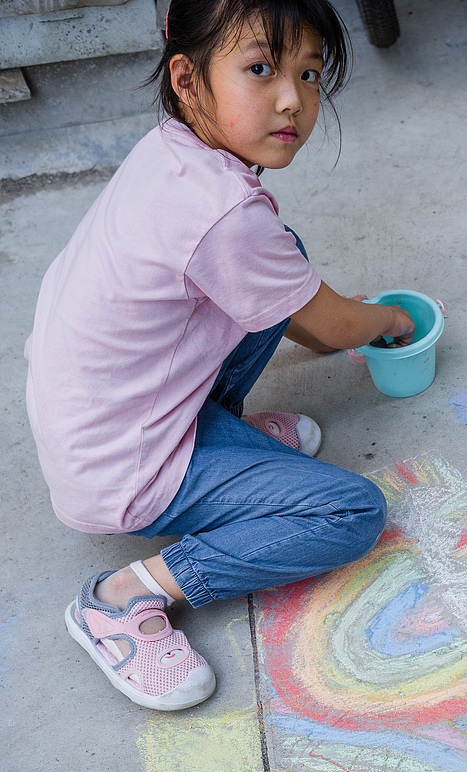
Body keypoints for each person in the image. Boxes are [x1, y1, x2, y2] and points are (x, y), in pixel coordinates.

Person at [24, 0, 415, 712]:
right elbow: (330, 328)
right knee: (350, 513)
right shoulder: (225, 216)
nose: (292, 97)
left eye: (309, 72)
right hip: (123, 465)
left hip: (96, 413)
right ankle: (120, 601)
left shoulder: (175, 155)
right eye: (260, 69)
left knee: (282, 258)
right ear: (188, 79)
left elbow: (287, 295)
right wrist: (389, 318)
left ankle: (224, 443)